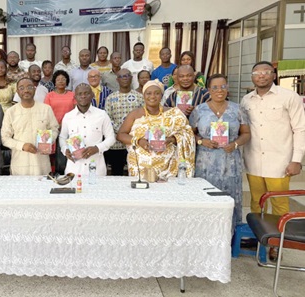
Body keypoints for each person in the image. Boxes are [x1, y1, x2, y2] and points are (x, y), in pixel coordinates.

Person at [241, 61, 305, 261]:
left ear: (273, 75)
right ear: (252, 76)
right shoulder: (246, 100)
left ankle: (278, 242)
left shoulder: (289, 97)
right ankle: (258, 236)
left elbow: (300, 129)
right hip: (253, 160)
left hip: (279, 161)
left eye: (266, 72)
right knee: (256, 202)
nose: (261, 76)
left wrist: (297, 159)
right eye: (257, 73)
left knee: (279, 203)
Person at [189, 74, 251, 230]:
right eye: (215, 87)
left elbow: (246, 134)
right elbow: (189, 133)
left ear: (227, 88)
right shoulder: (199, 110)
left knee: (229, 198)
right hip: (205, 163)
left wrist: (235, 143)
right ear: (208, 90)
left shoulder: (237, 109)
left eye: (223, 86)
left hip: (229, 162)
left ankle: (229, 234)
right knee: (205, 197)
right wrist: (202, 141)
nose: (219, 90)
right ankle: (204, 232)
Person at [117, 80, 195, 180]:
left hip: (168, 166)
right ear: (143, 95)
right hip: (140, 166)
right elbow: (121, 135)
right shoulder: (135, 114)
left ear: (162, 95)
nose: (152, 96)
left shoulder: (174, 113)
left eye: (157, 93)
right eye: (148, 93)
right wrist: (139, 141)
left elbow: (187, 134)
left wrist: (171, 139)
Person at [1, 78, 59, 175]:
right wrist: (22, 146)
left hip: (41, 163)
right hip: (20, 163)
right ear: (17, 92)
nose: (26, 90)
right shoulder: (11, 112)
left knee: (43, 188)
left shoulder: (46, 109)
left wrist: (48, 139)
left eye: (29, 87)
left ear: (35, 89)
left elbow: (54, 129)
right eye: (22, 88)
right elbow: (5, 138)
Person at [59, 83, 115, 176]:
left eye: (86, 93)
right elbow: (62, 137)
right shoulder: (68, 116)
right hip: (74, 169)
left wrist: (97, 148)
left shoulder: (102, 115)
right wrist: (65, 150)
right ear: (75, 97)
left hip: (96, 169)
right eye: (80, 94)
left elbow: (111, 138)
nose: (83, 96)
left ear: (92, 95)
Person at [104, 69, 144, 175]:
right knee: (117, 174)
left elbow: (145, 117)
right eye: (122, 76)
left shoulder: (140, 97)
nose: (125, 78)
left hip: (135, 142)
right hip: (116, 144)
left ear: (131, 78)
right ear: (117, 80)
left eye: (127, 75)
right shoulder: (111, 98)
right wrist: (122, 131)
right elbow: (108, 118)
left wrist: (131, 132)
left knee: (136, 172)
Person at [44, 70, 76, 174]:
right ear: (54, 81)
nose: (61, 81)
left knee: (67, 151)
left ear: (67, 81)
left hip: (69, 128)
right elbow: (46, 112)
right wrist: (55, 125)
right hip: (53, 127)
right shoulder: (49, 96)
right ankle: (54, 173)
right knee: (52, 153)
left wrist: (65, 124)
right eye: (58, 79)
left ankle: (67, 172)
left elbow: (76, 110)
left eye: (63, 79)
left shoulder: (72, 95)